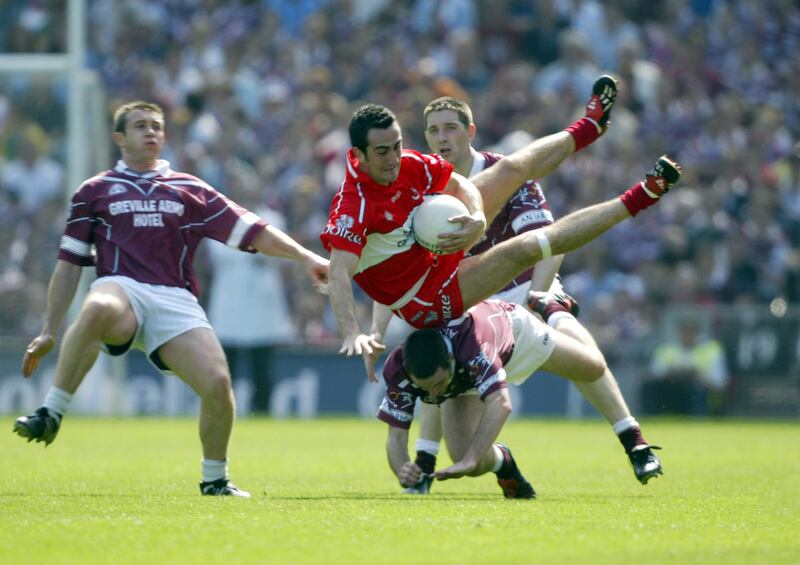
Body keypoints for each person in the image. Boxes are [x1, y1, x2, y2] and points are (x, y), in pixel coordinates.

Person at [12, 101, 329, 498]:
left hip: (175, 298)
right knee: (98, 307)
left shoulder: (190, 189)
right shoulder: (93, 192)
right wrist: (48, 329)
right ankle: (50, 412)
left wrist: (306, 257)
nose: (150, 133)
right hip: (121, 287)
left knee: (217, 384)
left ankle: (215, 480)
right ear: (119, 137)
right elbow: (70, 263)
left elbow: (252, 229)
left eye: (156, 126)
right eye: (140, 126)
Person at [394, 95, 663, 494]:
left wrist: (539, 295)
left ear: (470, 132)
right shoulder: (423, 188)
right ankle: (428, 461)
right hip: (466, 303)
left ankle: (633, 440)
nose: (441, 137)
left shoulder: (506, 173)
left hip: (521, 286)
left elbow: (548, 241)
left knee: (572, 336)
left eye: (450, 128)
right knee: (436, 362)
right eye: (434, 130)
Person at [379, 298, 608, 498]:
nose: (434, 395)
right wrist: (402, 468)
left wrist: (472, 456)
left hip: (516, 337)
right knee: (467, 460)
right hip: (464, 376)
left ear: (450, 359)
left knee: (594, 368)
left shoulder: (475, 349)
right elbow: (396, 437)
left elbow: (501, 403)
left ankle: (555, 311)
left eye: (438, 384)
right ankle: (504, 462)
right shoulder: (397, 368)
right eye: (425, 389)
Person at [644, 317, 729, 416]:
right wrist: (674, 372)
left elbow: (720, 383)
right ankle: (653, 418)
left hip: (699, 392)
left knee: (698, 390)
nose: (688, 335)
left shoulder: (712, 350)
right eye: (685, 330)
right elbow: (653, 375)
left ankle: (699, 420)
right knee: (650, 388)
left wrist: (697, 375)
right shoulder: (666, 349)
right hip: (671, 390)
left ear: (698, 333)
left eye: (692, 331)